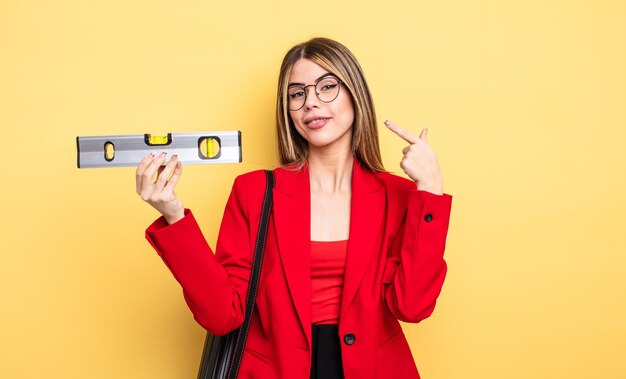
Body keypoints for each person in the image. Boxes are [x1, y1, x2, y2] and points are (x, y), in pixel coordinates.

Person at [136, 37, 452, 379]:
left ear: (355, 94)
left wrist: (431, 191)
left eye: (327, 86)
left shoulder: (399, 195)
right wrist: (173, 215)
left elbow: (412, 306)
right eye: (297, 93)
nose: (311, 103)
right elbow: (221, 315)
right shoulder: (255, 191)